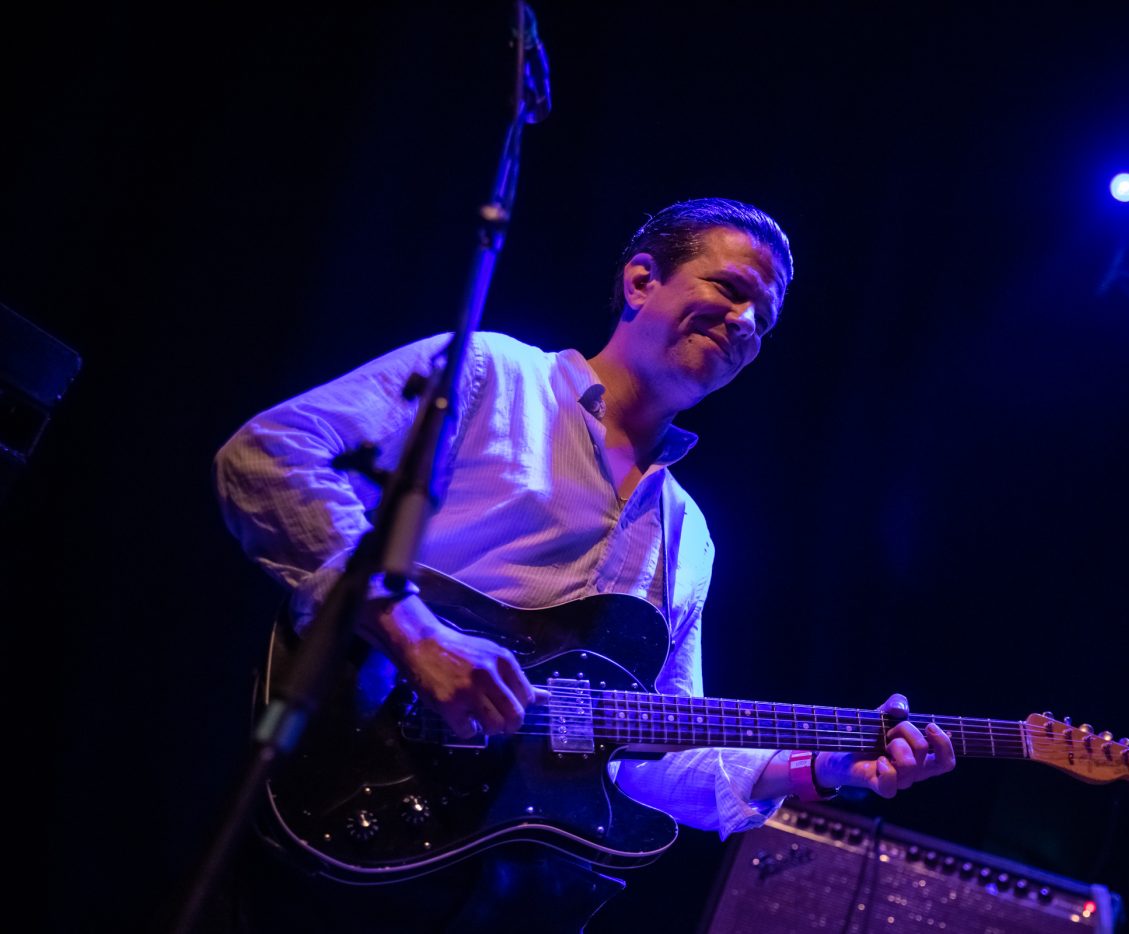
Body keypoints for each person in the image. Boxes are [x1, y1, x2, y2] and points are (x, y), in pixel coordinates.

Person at [212, 198, 955, 930]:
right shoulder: (492, 376)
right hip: (349, 801)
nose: (747, 323)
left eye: (765, 319)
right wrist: (414, 632)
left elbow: (653, 754)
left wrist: (822, 767)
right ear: (641, 282)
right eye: (730, 290)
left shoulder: (688, 534)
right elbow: (269, 456)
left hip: (506, 891)